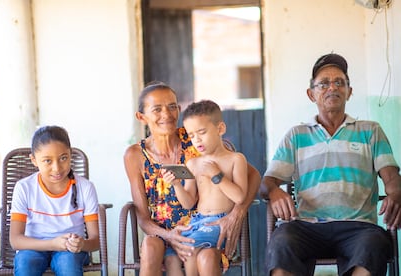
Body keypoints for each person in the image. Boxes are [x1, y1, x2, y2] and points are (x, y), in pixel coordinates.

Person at [262, 53, 401, 276]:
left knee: (374, 243)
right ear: (311, 94)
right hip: (308, 227)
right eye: (324, 83)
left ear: (349, 91)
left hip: (358, 227)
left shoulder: (370, 131)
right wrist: (274, 191)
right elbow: (267, 182)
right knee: (281, 242)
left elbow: (391, 176)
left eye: (339, 82)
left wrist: (395, 193)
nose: (332, 87)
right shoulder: (297, 135)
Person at [123, 81, 261, 276]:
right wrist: (170, 236)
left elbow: (252, 175)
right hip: (164, 235)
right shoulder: (135, 155)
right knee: (150, 244)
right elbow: (143, 219)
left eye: (172, 106)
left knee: (198, 255)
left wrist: (235, 214)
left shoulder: (196, 139)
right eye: (157, 109)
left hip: (205, 227)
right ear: (141, 117)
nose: (167, 114)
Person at [162, 100, 248, 276]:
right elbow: (188, 202)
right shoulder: (193, 163)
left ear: (220, 129)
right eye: (191, 135)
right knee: (174, 254)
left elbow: (239, 197)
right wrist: (177, 184)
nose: (197, 140)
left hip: (218, 222)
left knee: (190, 250)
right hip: (197, 221)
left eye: (202, 132)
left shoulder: (235, 159)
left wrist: (216, 174)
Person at [9, 125, 100, 276]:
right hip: (33, 248)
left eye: (63, 158)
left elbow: (95, 241)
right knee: (25, 263)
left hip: (70, 251)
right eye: (47, 161)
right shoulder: (24, 187)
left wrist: (82, 244)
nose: (57, 168)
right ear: (34, 160)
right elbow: (15, 240)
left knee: (68, 263)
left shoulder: (85, 188)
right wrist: (52, 244)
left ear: (71, 155)